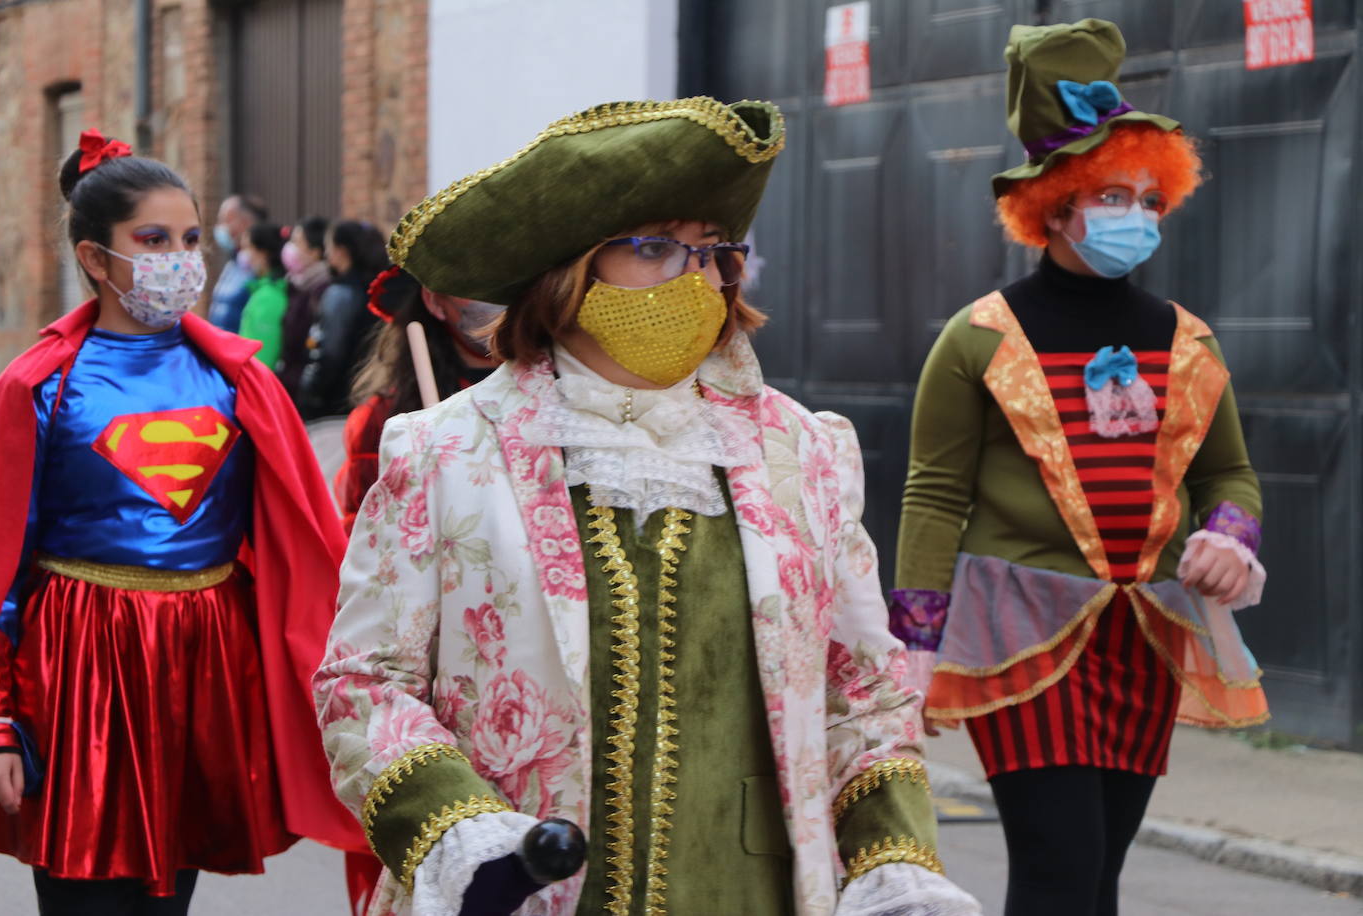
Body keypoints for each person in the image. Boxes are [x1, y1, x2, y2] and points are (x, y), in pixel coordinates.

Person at [314, 97, 982, 916]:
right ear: (570, 266)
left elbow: (864, 696)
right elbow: (364, 685)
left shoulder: (803, 453)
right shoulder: (447, 450)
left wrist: (892, 859)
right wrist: (461, 832)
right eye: (657, 247)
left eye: (712, 253)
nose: (695, 279)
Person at [891, 20, 1267, 916]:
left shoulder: (1186, 339)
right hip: (1020, 629)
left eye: (1148, 198)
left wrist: (1228, 537)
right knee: (1060, 869)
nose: (1133, 217)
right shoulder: (978, 337)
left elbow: (1231, 476)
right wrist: (913, 646)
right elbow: (934, 494)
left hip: (1147, 630)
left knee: (1099, 876)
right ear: (1053, 207)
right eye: (1109, 195)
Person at [0, 130, 367, 914]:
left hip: (205, 664)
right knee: (85, 898)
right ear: (97, 258)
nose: (181, 260)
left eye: (191, 239)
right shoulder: (38, 388)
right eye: (153, 240)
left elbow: (305, 543)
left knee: (172, 902)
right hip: (79, 668)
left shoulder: (243, 381)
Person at [334, 266, 502, 532]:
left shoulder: (557, 394)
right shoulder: (386, 418)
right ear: (435, 301)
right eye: (475, 285)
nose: (497, 298)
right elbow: (364, 532)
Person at [300, 220, 389, 418]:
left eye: (329, 247)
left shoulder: (340, 294)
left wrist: (311, 394)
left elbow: (329, 353)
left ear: (341, 251)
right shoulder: (383, 289)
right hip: (373, 395)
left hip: (337, 403)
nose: (326, 254)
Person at [278, 215, 332, 398]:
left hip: (303, 389)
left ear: (315, 252)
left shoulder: (323, 290)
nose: (289, 248)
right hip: (290, 383)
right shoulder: (296, 285)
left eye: (296, 242)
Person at [207, 194, 266, 333]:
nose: (221, 227)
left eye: (226, 220)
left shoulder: (260, 268)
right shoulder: (233, 263)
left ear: (247, 222)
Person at [236, 221, 289, 370]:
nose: (243, 254)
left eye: (248, 248)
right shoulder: (264, 290)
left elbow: (261, 357)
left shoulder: (268, 297)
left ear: (263, 253)